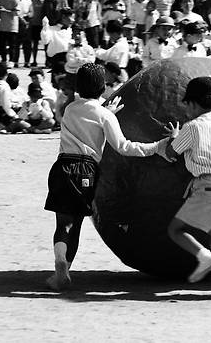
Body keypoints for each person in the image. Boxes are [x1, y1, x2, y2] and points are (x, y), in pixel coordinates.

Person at [44, 63, 170, 290]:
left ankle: (60, 265)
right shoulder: (105, 116)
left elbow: (88, 114)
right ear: (103, 87)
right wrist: (156, 147)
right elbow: (123, 146)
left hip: (62, 167)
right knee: (78, 225)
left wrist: (104, 111)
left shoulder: (71, 108)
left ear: (78, 87)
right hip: (86, 170)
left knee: (63, 224)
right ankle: (65, 269)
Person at [163, 77, 211, 300]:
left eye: (187, 104)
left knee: (176, 230)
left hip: (209, 186)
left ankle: (203, 257)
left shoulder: (192, 127)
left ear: (194, 104)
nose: (186, 109)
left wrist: (174, 137)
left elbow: (171, 153)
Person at [0, 0, 20, 65]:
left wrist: (5, 10)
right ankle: (3, 59)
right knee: (2, 44)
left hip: (12, 26)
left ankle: (11, 61)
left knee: (12, 44)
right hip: (2, 25)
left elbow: (16, 13)